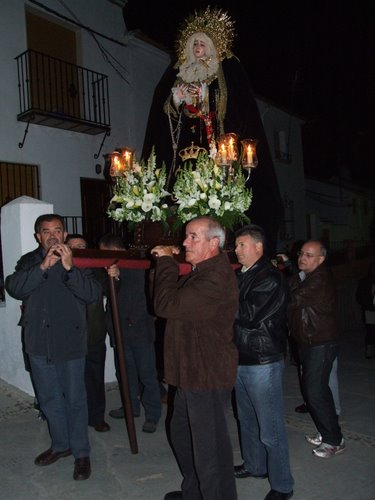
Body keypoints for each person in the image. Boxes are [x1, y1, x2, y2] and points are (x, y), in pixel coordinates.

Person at [142, 6, 283, 255]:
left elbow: (238, 109)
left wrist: (207, 96)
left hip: (215, 148)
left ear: (212, 45)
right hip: (183, 147)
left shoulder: (227, 69)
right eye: (194, 43)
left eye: (202, 43)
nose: (197, 48)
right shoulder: (178, 73)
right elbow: (163, 112)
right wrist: (177, 100)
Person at [5, 214, 101, 480]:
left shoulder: (79, 260)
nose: (52, 235)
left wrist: (70, 268)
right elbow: (14, 287)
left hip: (70, 342)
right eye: (46, 231)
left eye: (57, 230)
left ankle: (81, 453)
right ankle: (61, 445)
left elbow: (93, 294)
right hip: (38, 342)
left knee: (75, 400)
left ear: (65, 234)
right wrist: (43, 267)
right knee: (48, 399)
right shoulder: (29, 261)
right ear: (39, 237)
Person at [150, 216, 239, 500]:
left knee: (209, 450)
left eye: (192, 237)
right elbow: (171, 298)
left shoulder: (215, 278)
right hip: (190, 372)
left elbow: (166, 305)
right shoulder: (201, 272)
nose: (184, 242)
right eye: (186, 236)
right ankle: (195, 492)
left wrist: (165, 262)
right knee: (182, 435)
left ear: (214, 243)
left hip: (206, 375)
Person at [233, 225, 294, 500]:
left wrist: (220, 300)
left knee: (270, 427)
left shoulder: (269, 277)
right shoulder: (241, 275)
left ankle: (282, 485)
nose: (236, 250)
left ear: (258, 247)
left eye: (241, 245)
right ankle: (255, 465)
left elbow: (248, 315)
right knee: (246, 419)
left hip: (262, 359)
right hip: (241, 356)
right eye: (236, 245)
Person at [287, 240, 345, 458]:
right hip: (310, 341)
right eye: (301, 253)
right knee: (319, 390)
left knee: (315, 391)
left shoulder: (320, 278)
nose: (302, 257)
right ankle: (327, 431)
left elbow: (292, 299)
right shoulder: (307, 277)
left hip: (321, 341)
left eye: (309, 255)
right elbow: (292, 287)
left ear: (321, 259)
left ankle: (334, 440)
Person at [98, 234, 162, 433]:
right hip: (119, 331)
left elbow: (146, 296)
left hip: (139, 330)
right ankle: (130, 407)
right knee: (125, 373)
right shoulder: (110, 267)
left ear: (113, 250)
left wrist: (135, 319)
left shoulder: (138, 264)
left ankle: (152, 414)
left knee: (147, 374)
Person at [65, 234, 110, 433]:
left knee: (95, 379)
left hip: (94, 332)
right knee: (71, 381)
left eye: (82, 245)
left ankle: (97, 417)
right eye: (73, 246)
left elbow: (111, 291)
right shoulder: (59, 269)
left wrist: (114, 276)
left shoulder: (98, 269)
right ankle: (74, 418)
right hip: (68, 336)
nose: (78, 249)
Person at [355, 261, 375, 359]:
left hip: (369, 309)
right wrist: (368, 305)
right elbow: (360, 297)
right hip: (370, 310)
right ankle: (370, 351)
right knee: (371, 331)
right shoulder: (365, 282)